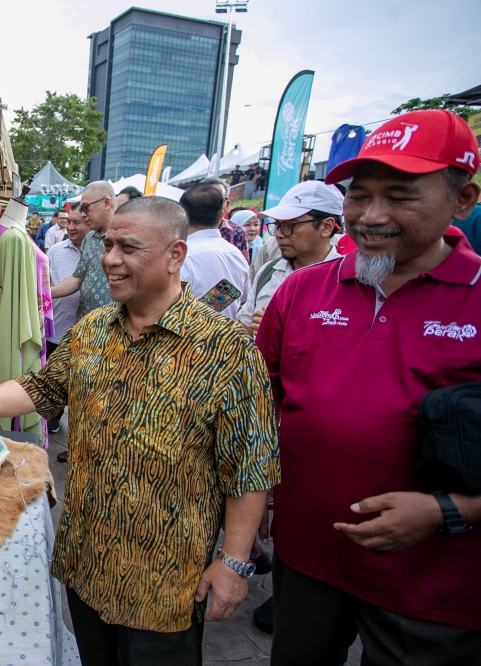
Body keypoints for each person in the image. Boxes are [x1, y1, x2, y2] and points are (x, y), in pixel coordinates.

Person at [0, 196, 279, 665]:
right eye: (108, 243)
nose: (110, 259)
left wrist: (235, 562)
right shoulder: (94, 330)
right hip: (85, 563)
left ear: (175, 255)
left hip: (165, 584)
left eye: (128, 247)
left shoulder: (226, 350)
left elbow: (250, 467)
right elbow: (44, 387)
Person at [256, 110, 481, 664]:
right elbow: (261, 405)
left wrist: (450, 511)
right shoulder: (302, 291)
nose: (372, 216)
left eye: (401, 196)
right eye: (359, 196)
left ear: (463, 199)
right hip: (308, 558)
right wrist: (255, 498)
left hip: (432, 584)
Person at [237, 181, 343, 338]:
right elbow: (243, 329)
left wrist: (285, 330)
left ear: (326, 226)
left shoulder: (348, 282)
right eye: (277, 225)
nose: (279, 234)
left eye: (289, 225)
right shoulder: (269, 272)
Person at [45, 209, 90, 445]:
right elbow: (44, 285)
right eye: (68, 222)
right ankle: (52, 419)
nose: (71, 227)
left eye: (78, 223)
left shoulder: (103, 251)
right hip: (59, 329)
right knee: (55, 379)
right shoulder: (55, 252)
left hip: (89, 333)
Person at [179, 184, 250, 320]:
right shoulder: (237, 255)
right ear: (222, 214)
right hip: (228, 336)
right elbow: (245, 301)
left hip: (189, 338)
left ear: (183, 214)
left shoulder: (181, 257)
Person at [50, 181, 116, 320]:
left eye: (86, 208)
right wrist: (45, 294)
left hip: (114, 326)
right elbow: (78, 278)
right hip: (85, 324)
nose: (83, 214)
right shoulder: (90, 238)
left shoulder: (125, 237)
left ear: (107, 203)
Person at [200, 177, 250, 263]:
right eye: (208, 198)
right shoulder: (186, 229)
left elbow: (244, 268)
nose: (212, 203)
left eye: (218, 199)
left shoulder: (238, 232)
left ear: (227, 204)